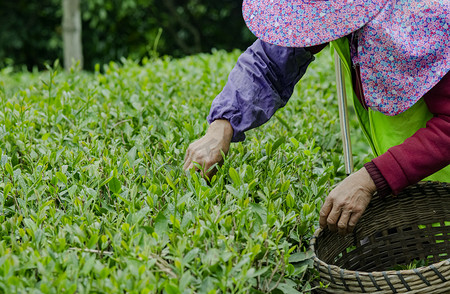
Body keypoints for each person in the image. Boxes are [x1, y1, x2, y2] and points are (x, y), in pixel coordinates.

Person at [183, 0, 450, 235]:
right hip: (418, 193)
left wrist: (370, 178)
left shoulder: (425, 18)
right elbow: (270, 60)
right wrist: (222, 125)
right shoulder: (346, 13)